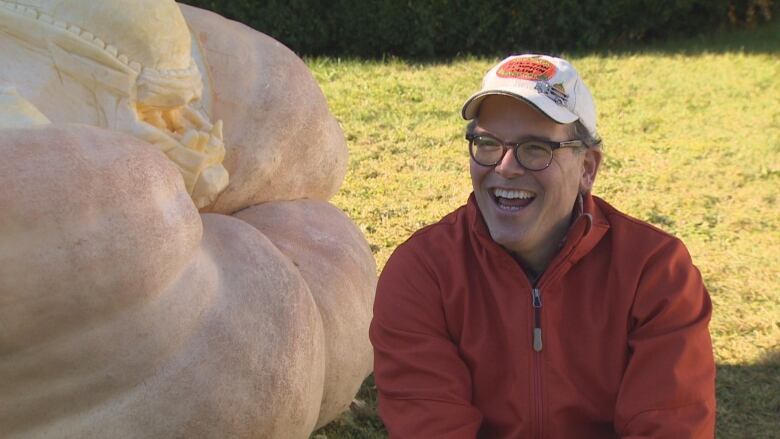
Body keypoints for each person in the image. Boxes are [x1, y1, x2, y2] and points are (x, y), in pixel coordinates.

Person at [369, 54, 716, 438]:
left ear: (587, 169)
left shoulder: (655, 272)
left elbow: (670, 426)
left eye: (535, 148)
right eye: (487, 143)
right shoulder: (422, 274)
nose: (505, 167)